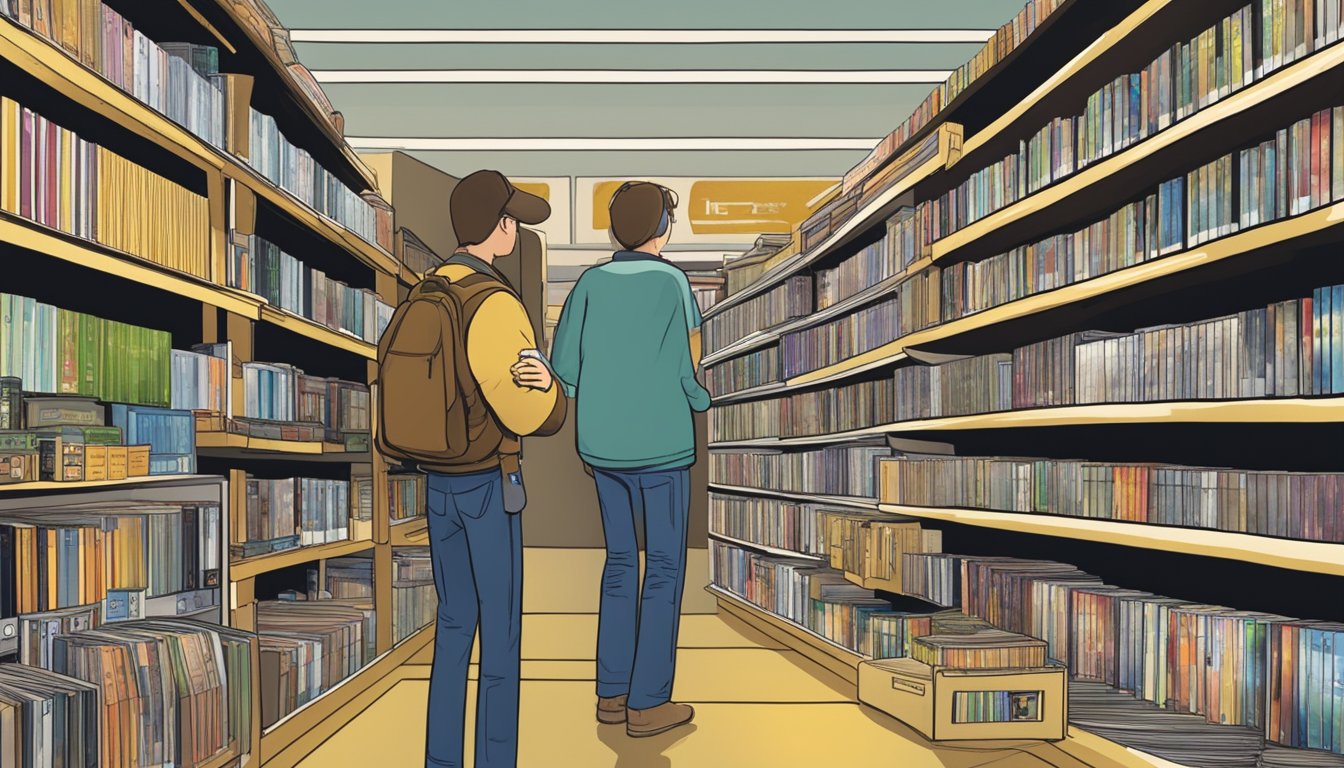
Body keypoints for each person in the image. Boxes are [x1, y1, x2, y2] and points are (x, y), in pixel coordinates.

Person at [546, 181, 711, 738]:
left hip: (602, 448)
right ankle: (648, 702)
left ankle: (611, 694)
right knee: (663, 568)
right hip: (662, 448)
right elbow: (691, 366)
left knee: (619, 564)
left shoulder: (588, 285)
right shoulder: (673, 282)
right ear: (662, 224)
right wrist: (700, 400)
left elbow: (563, 366)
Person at [419, 170, 566, 768]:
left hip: (437, 484)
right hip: (487, 484)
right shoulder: (496, 303)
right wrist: (554, 394)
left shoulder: (426, 290)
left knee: (453, 625)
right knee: (500, 635)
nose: (516, 228)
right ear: (497, 226)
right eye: (511, 219)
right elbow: (527, 410)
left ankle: (441, 759)